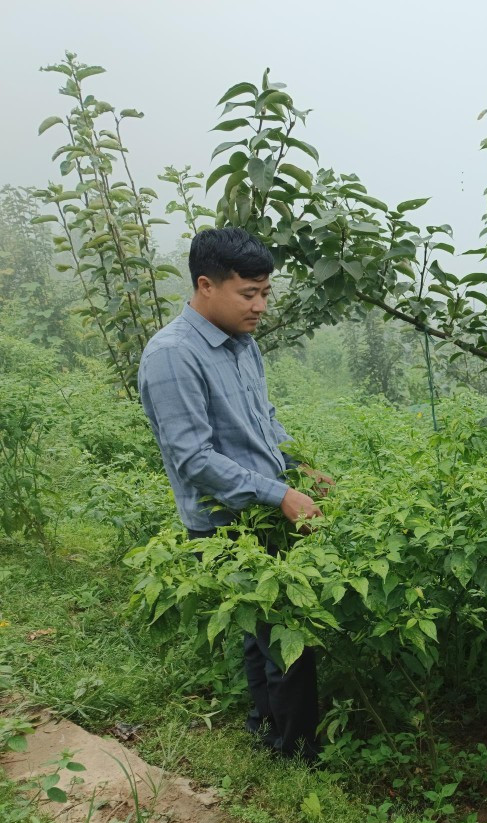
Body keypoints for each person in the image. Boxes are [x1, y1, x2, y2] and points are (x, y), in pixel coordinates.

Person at [137, 227, 332, 759]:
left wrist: (300, 467)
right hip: (223, 521)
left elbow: (262, 423)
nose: (261, 306)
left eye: (266, 293)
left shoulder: (243, 346)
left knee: (260, 628)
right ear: (205, 285)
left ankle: (265, 730)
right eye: (249, 294)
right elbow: (193, 459)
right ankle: (296, 754)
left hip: (264, 507)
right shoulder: (173, 356)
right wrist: (279, 494)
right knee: (287, 629)